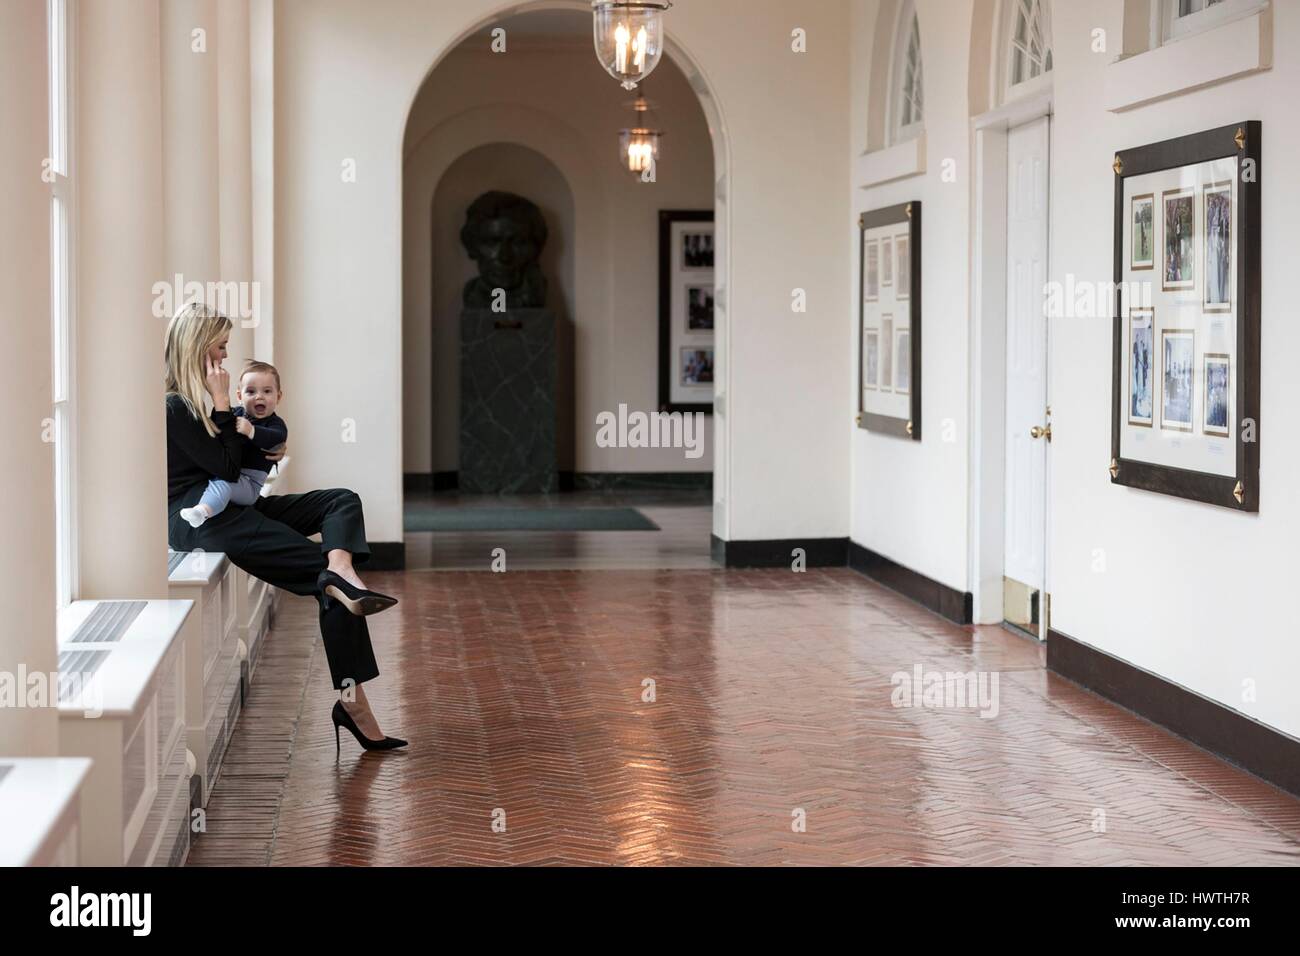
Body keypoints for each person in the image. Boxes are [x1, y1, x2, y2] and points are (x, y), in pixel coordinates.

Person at [164, 302, 406, 753]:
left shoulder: (197, 401)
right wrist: (224, 407)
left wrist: (267, 443)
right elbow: (227, 464)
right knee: (328, 586)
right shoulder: (176, 405)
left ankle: (341, 567)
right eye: (218, 349)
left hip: (234, 510)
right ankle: (354, 703)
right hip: (201, 521)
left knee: (341, 501)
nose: (223, 360)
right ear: (197, 349)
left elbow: (238, 457)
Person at [180, 360, 288, 528]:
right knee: (219, 483)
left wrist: (252, 431)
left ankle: (202, 512)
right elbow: (219, 427)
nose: (259, 396)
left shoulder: (275, 424)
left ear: (278, 396)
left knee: (224, 485)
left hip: (251, 484)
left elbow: (276, 438)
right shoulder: (236, 414)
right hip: (234, 475)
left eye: (267, 391)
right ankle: (202, 509)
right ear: (239, 396)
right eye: (251, 391)